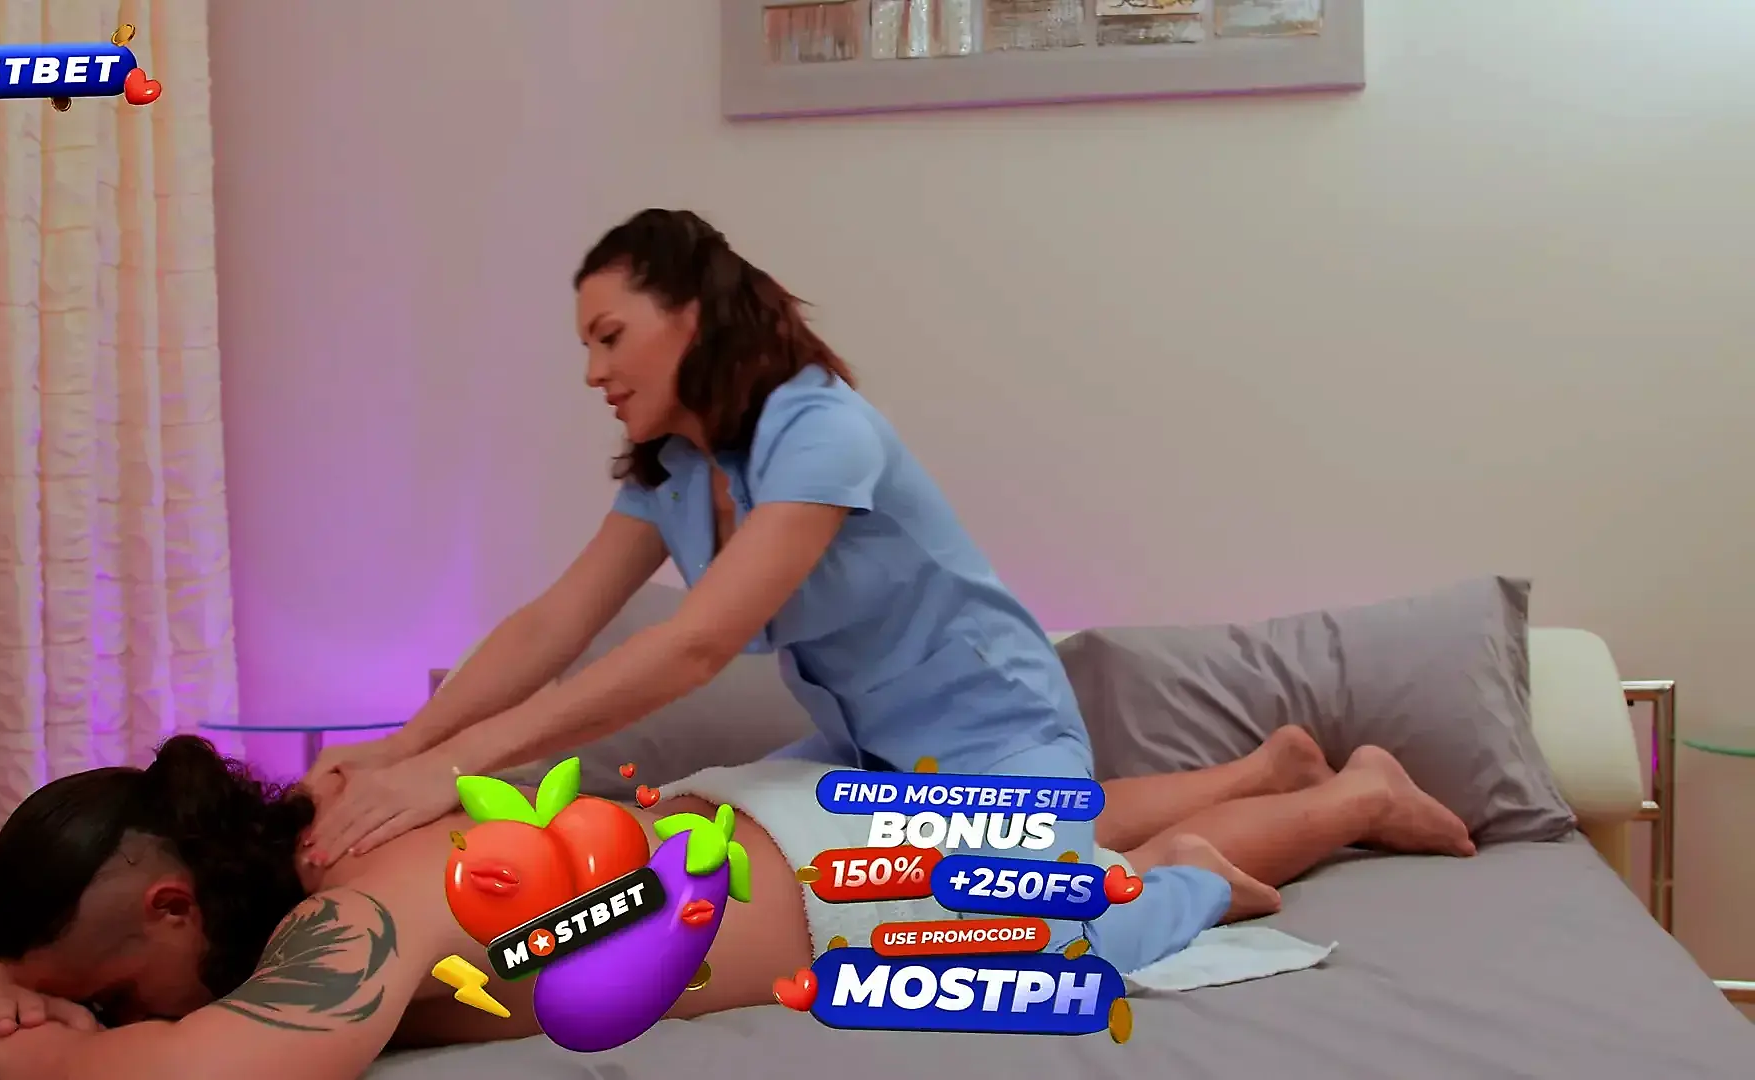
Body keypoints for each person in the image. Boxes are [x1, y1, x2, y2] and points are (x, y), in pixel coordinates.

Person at [297, 208, 1474, 974]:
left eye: (611, 337)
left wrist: (460, 767)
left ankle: (1302, 819)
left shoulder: (821, 428)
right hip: (871, 754)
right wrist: (398, 750)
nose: (594, 372)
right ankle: (1261, 772)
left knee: (1033, 950)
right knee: (732, 852)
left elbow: (698, 645)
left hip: (998, 732)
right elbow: (554, 623)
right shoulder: (677, 472)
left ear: (692, 314)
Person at [0, 729, 1471, 1079]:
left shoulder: (343, 919)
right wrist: (0, 979)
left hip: (837, 898)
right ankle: (1257, 762)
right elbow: (2, 929)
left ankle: (1344, 796)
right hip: (755, 826)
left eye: (112, 997)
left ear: (170, 908)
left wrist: (42, 1061)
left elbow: (227, 1072)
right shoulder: (277, 839)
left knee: (1125, 882)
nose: (110, 1017)